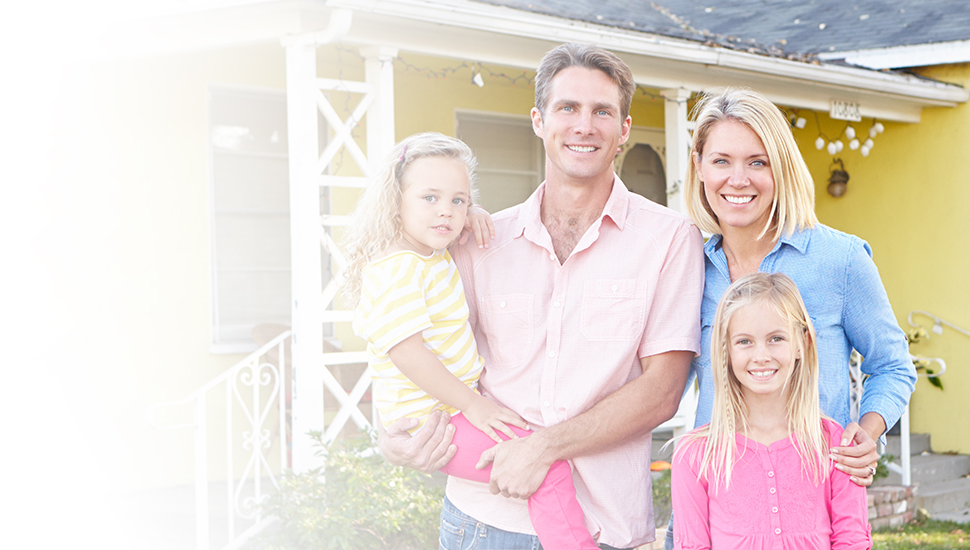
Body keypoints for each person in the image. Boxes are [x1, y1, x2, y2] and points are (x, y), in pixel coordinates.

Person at [379, 43, 705, 550]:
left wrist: (543, 449)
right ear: (538, 119)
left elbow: (663, 391)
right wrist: (393, 434)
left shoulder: (668, 239)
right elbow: (412, 338)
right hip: (481, 521)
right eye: (567, 108)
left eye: (602, 111)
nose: (584, 125)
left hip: (601, 527)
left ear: (624, 130)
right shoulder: (478, 241)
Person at [666, 86, 916, 548]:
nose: (737, 179)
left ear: (780, 168)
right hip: (713, 519)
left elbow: (893, 365)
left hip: (814, 519)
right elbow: (663, 382)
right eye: (721, 161)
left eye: (757, 162)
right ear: (699, 168)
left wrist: (867, 430)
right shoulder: (685, 269)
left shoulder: (839, 259)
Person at [343, 131, 599, 550]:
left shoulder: (429, 251)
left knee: (538, 456)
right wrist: (473, 404)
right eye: (430, 199)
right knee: (545, 467)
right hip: (436, 418)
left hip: (450, 408)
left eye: (457, 200)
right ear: (396, 202)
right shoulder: (396, 269)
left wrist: (473, 213)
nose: (445, 212)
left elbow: (447, 214)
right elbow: (407, 352)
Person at [671, 272, 872, 549]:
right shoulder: (696, 455)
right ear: (725, 350)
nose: (761, 355)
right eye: (744, 341)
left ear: (803, 343)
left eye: (776, 338)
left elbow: (852, 540)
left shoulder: (835, 444)